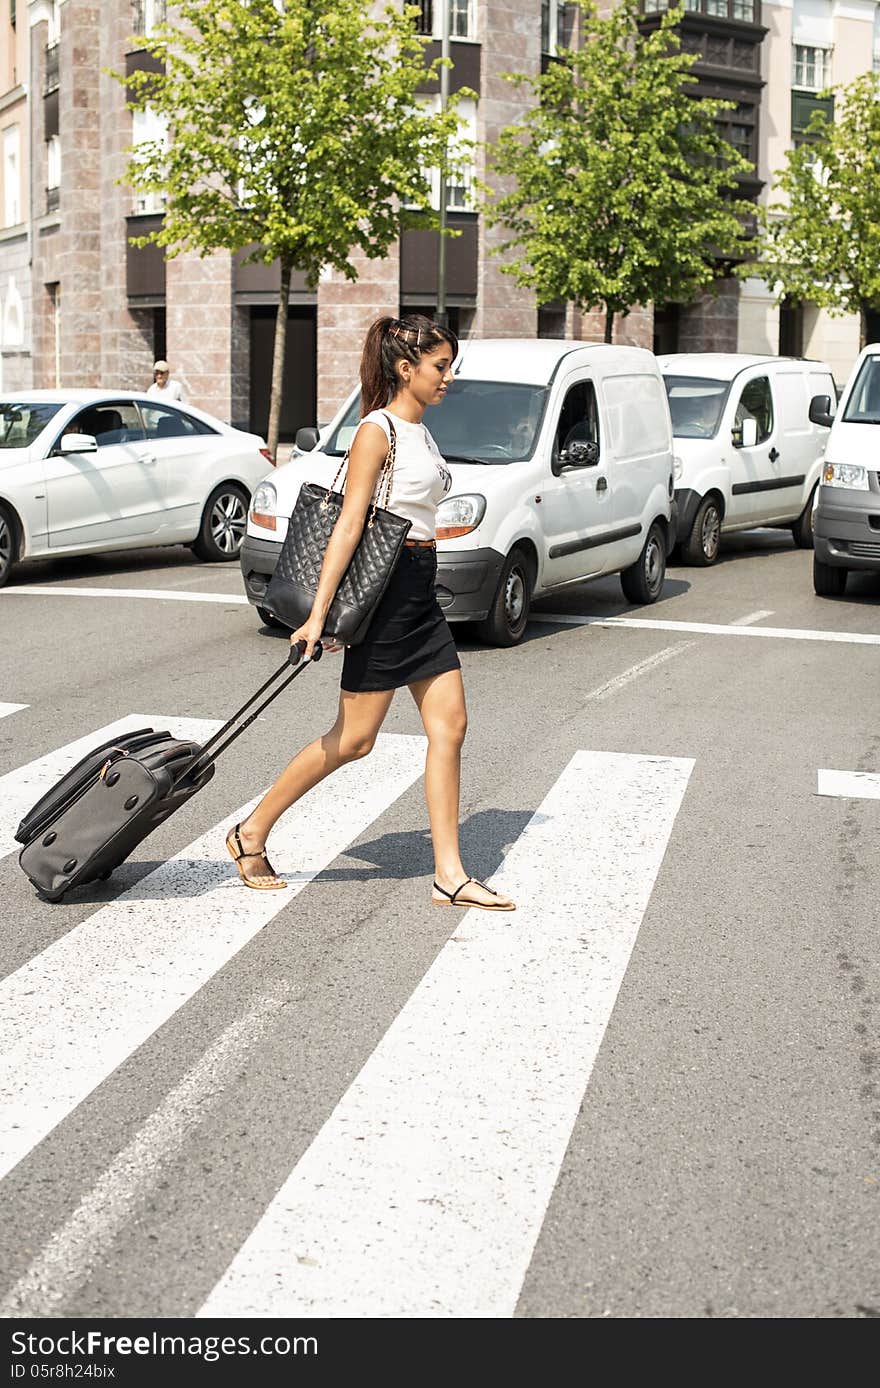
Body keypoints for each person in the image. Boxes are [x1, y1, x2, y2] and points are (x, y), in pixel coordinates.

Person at [224, 313, 515, 912]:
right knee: (355, 739)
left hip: (419, 589)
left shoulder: (422, 433)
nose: (448, 377)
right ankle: (250, 832)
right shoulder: (375, 432)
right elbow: (349, 524)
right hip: (385, 597)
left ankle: (449, 873)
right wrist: (319, 615)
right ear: (406, 369)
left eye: (449, 365)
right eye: (440, 366)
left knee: (450, 727)